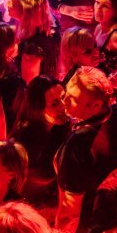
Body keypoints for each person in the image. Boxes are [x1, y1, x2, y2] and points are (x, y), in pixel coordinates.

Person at [54, 66, 117, 233]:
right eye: (66, 93)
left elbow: (69, 214)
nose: (64, 100)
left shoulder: (77, 146)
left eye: (73, 98)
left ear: (96, 105)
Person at [11, 76, 70, 215]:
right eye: (54, 104)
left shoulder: (61, 126)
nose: (64, 106)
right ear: (38, 109)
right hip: (31, 209)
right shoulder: (24, 141)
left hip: (55, 204)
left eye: (64, 97)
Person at [8, 0, 59, 80]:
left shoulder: (32, 48)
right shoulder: (49, 23)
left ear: (26, 13)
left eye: (13, 4)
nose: (8, 4)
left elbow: (28, 82)